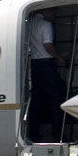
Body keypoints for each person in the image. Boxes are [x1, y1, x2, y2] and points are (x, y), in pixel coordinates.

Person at [26, 12, 65, 141]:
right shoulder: (46, 25)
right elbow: (47, 44)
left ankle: (33, 133)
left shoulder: (29, 24)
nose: (54, 15)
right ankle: (58, 134)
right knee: (56, 98)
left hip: (35, 64)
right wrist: (59, 57)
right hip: (46, 64)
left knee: (36, 101)